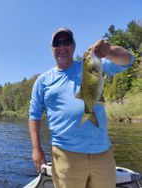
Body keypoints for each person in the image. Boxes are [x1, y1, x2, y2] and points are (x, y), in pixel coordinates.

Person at [28, 27, 134, 188]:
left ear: (73, 45)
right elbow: (34, 115)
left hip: (102, 153)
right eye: (57, 43)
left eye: (66, 42)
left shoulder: (91, 65)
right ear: (52, 48)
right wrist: (36, 148)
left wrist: (109, 51)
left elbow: (128, 60)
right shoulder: (42, 80)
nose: (62, 47)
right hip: (65, 155)